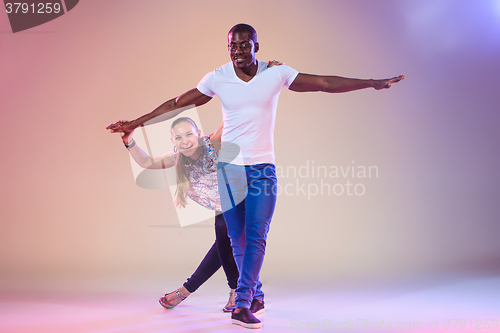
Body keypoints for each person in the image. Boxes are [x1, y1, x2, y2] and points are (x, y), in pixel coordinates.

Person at [107, 23, 404, 329]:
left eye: (244, 45)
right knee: (237, 240)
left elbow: (324, 82)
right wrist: (135, 124)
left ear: (255, 47)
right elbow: (175, 104)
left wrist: (371, 83)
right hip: (229, 170)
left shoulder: (275, 73)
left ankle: (243, 304)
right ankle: (254, 296)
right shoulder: (217, 78)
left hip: (262, 169)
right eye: (233, 46)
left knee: (256, 238)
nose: (238, 51)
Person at [117, 117, 239, 312]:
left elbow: (232, 120)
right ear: (173, 140)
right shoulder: (177, 157)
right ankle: (219, 292)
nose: (185, 140)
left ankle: (221, 291)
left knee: (223, 233)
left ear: (198, 134)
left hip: (243, 199)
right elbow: (147, 162)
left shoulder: (213, 144)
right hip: (222, 206)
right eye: (179, 137)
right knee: (222, 243)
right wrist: (129, 141)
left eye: (189, 134)